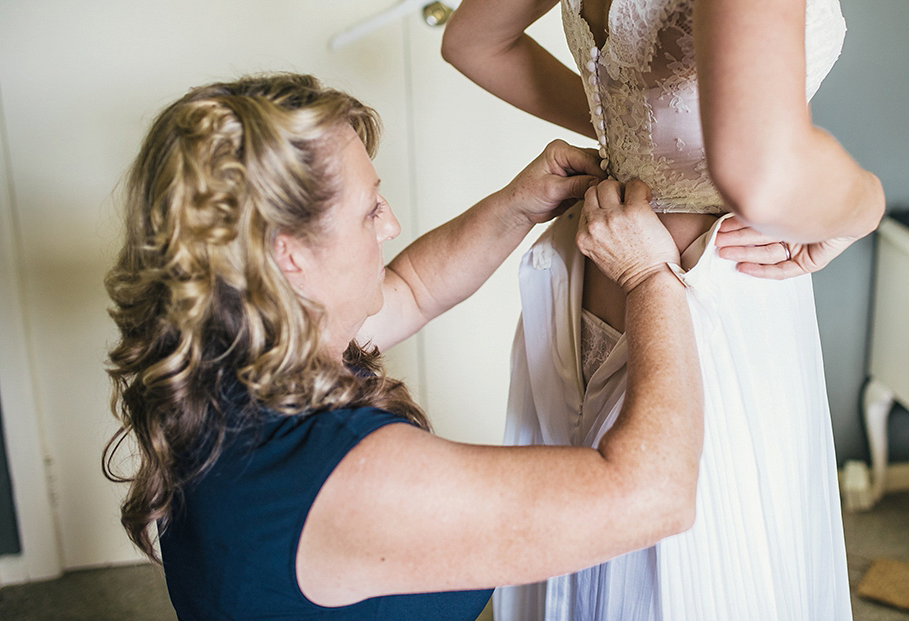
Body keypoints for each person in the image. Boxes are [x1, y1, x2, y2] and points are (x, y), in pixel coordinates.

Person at [441, 0, 886, 618]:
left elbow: (474, 40)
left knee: (608, 560)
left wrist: (639, 127)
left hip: (597, 274)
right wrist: (865, 203)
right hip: (710, 295)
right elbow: (767, 173)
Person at [102, 73, 707, 620]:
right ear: (288, 254)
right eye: (370, 212)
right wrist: (649, 275)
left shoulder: (222, 361)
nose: (390, 225)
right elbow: (653, 494)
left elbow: (412, 289)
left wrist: (519, 204)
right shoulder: (347, 480)